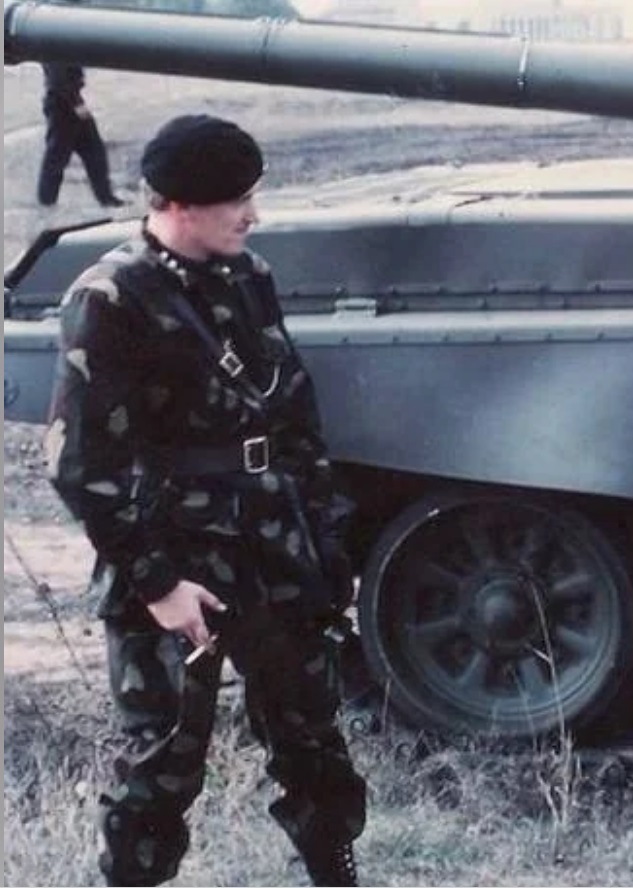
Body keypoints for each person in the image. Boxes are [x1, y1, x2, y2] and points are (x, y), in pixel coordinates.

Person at [44, 114, 366, 887]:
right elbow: (81, 466)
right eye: (237, 201)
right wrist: (157, 584)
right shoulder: (110, 298)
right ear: (181, 205)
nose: (253, 215)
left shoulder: (247, 277)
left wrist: (325, 539)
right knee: (163, 759)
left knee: (312, 737)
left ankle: (334, 871)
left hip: (274, 542)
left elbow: (293, 414)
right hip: (176, 550)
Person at [37, 62, 125, 208]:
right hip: (62, 103)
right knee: (58, 157)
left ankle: (106, 197)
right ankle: (46, 202)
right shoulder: (56, 49)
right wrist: (76, 103)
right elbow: (58, 79)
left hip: (68, 99)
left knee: (94, 152)